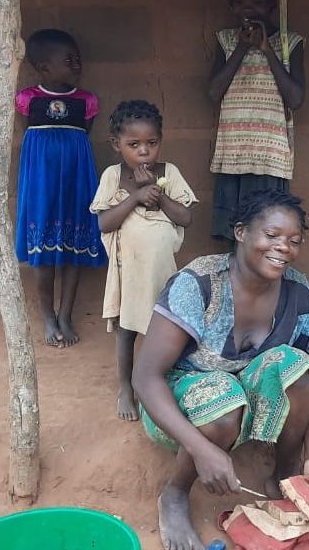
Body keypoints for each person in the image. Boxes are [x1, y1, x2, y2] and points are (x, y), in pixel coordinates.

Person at [132, 190, 309, 550]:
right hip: (179, 406)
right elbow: (145, 377)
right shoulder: (199, 283)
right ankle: (176, 492)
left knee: (296, 367)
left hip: (242, 398)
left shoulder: (298, 292)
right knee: (224, 404)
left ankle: (284, 473)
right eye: (272, 235)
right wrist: (201, 449)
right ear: (241, 232)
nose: (283, 248)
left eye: (294, 241)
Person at [91, 100, 197, 422]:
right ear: (116, 144)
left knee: (166, 330)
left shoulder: (170, 173)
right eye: (133, 144)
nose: (143, 152)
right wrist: (136, 196)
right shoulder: (113, 176)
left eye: (151, 144)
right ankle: (126, 386)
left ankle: (161, 381)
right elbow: (104, 223)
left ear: (160, 142)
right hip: (129, 275)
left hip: (162, 274)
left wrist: (158, 194)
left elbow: (186, 217)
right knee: (127, 331)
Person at [14, 28, 107, 348]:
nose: (77, 63)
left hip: (76, 181)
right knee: (43, 254)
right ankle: (48, 316)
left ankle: (66, 314)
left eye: (78, 57)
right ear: (44, 68)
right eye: (68, 59)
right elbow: (28, 138)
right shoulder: (28, 99)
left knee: (73, 252)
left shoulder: (87, 101)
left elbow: (83, 138)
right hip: (42, 185)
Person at [207, 0, 306, 242]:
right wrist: (240, 48)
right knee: (234, 238)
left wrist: (266, 49)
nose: (247, 10)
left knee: (268, 238)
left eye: (257, 3)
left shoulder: (290, 44)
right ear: (230, 3)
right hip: (232, 159)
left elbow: (296, 98)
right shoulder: (225, 41)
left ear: (273, 4)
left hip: (270, 161)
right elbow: (213, 92)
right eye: (239, 3)